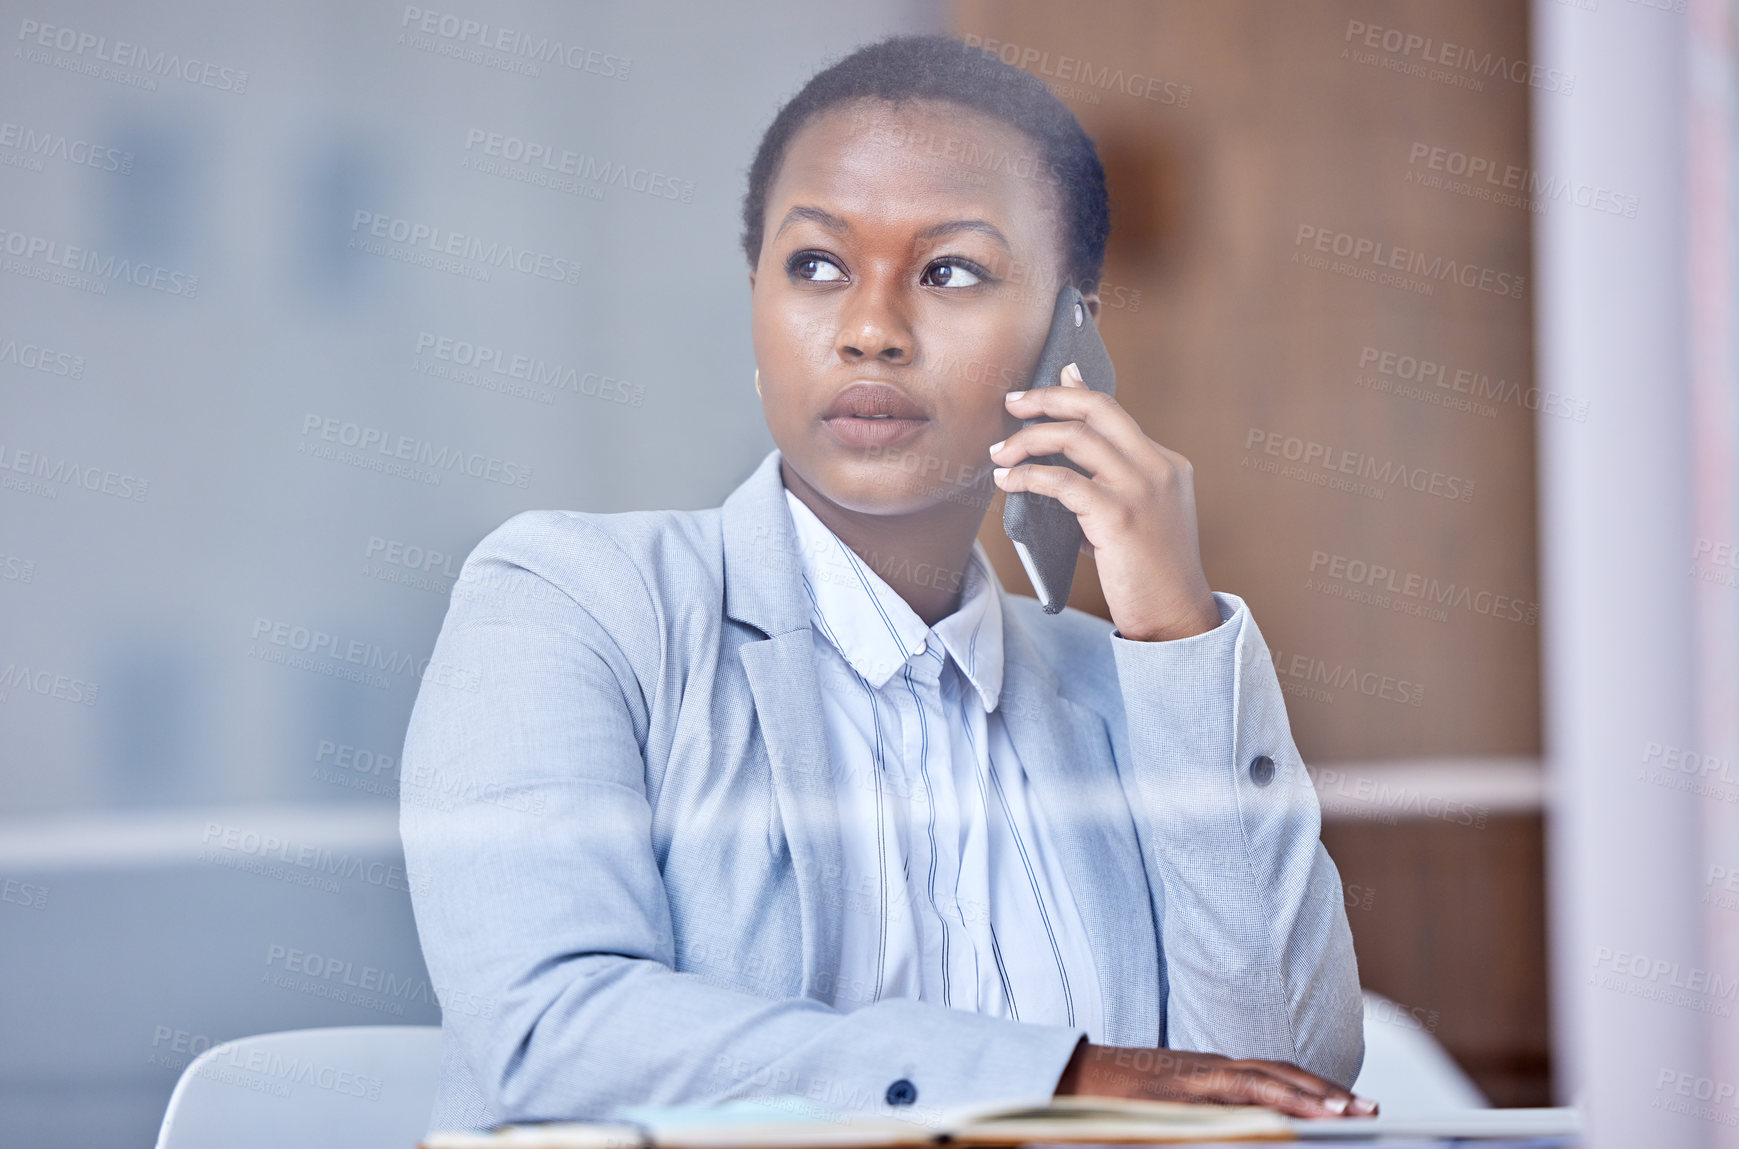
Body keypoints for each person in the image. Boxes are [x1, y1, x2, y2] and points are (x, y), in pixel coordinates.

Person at [400, 33, 1371, 1134]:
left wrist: (1178, 635)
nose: (868, 330)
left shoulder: (1120, 690)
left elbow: (1285, 1084)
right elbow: (550, 1037)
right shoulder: (572, 604)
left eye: (948, 269)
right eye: (814, 265)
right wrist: (1049, 1075)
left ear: (1069, 340)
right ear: (756, 308)